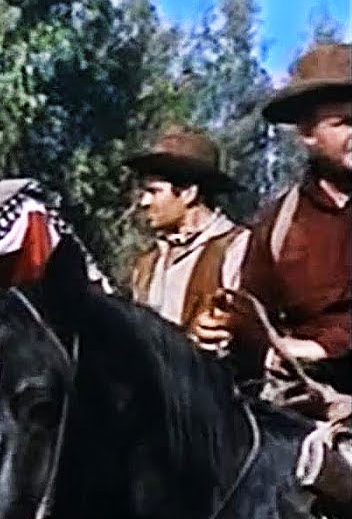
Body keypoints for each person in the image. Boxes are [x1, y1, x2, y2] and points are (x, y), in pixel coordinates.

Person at [192, 42, 352, 393]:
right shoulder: (277, 223)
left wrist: (324, 348)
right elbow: (255, 316)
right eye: (345, 123)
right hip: (307, 405)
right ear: (307, 133)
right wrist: (227, 328)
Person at [124, 127, 249, 330]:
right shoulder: (147, 264)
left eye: (154, 192)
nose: (144, 202)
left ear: (189, 194)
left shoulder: (237, 248)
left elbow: (248, 326)